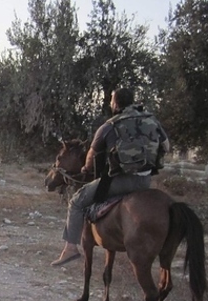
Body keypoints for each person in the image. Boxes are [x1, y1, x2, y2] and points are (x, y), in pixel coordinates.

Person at [51, 88, 170, 266]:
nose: (110, 103)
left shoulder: (109, 126)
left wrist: (86, 168)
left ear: (115, 103)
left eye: (111, 100)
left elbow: (91, 156)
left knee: (76, 201)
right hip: (145, 181)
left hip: (122, 180)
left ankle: (70, 249)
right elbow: (166, 146)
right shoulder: (152, 120)